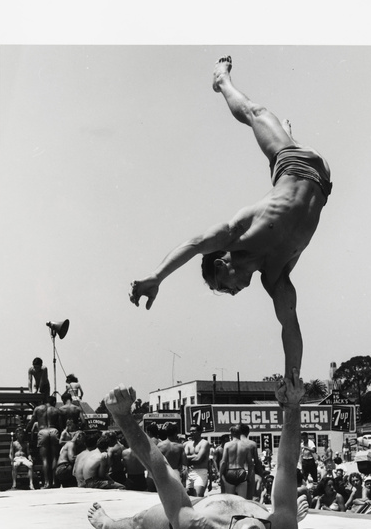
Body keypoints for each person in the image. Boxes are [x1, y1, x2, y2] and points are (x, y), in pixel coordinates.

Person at [129, 56, 332, 377]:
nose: (231, 293)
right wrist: (293, 377)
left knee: (256, 113)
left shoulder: (234, 234)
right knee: (277, 179)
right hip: (322, 180)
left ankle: (221, 80)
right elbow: (289, 323)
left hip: (293, 161)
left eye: (222, 287)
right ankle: (288, 133)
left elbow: (195, 243)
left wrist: (156, 277)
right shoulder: (274, 276)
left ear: (222, 263)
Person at [87, 371, 306, 529]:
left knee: (141, 521)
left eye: (240, 521)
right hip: (212, 504)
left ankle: (107, 525)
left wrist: (123, 417)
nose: (255, 518)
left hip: (193, 507)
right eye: (262, 524)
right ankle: (286, 511)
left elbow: (160, 468)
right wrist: (293, 406)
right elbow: (286, 464)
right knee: (284, 516)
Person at [27, 395, 63, 489]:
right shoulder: (56, 410)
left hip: (43, 431)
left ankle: (47, 483)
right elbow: (60, 425)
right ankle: (55, 482)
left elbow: (31, 422)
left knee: (45, 459)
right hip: (54, 430)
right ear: (53, 402)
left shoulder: (37, 409)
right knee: (55, 457)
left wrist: (26, 430)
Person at [220, 425, 254, 498]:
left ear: (231, 434)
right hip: (241, 471)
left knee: (231, 499)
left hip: (230, 472)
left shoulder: (227, 445)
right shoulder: (246, 445)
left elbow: (223, 462)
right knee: (243, 499)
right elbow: (250, 464)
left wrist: (220, 475)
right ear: (240, 433)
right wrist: (249, 477)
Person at [184, 423, 210, 497]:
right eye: (190, 431)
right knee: (188, 497)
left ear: (199, 432)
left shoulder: (204, 443)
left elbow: (199, 459)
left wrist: (189, 458)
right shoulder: (188, 444)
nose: (191, 433)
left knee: (198, 496)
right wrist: (194, 456)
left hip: (201, 472)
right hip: (190, 472)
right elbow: (183, 458)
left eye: (193, 431)